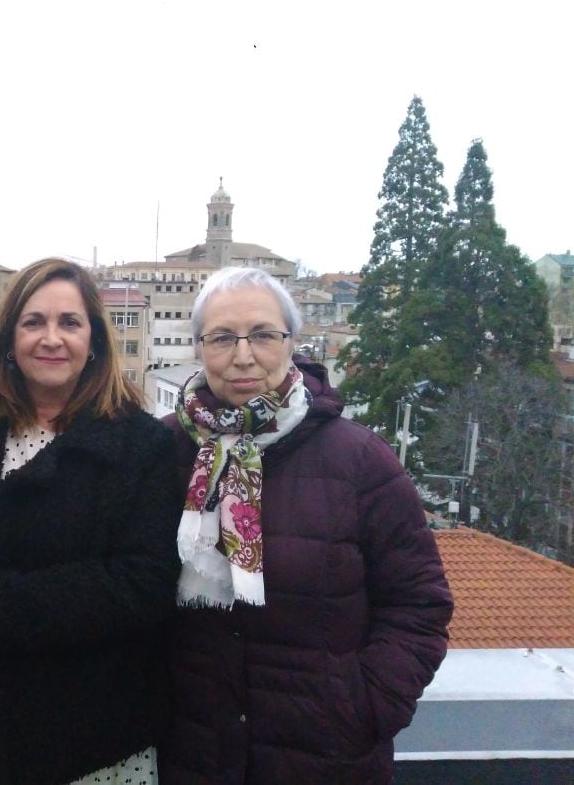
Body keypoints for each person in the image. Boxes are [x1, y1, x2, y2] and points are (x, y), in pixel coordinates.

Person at [157, 267, 454, 785]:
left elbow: (417, 604)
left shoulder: (360, 460)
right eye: (223, 337)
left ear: (293, 342)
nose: (243, 355)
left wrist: (363, 709)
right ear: (200, 346)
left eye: (264, 335)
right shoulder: (160, 453)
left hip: (326, 758)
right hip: (191, 752)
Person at [0, 258, 182, 785]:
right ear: (9, 338)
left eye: (70, 323)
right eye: (33, 322)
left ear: (95, 341)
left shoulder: (139, 444)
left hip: (98, 739)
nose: (51, 339)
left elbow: (144, 584)